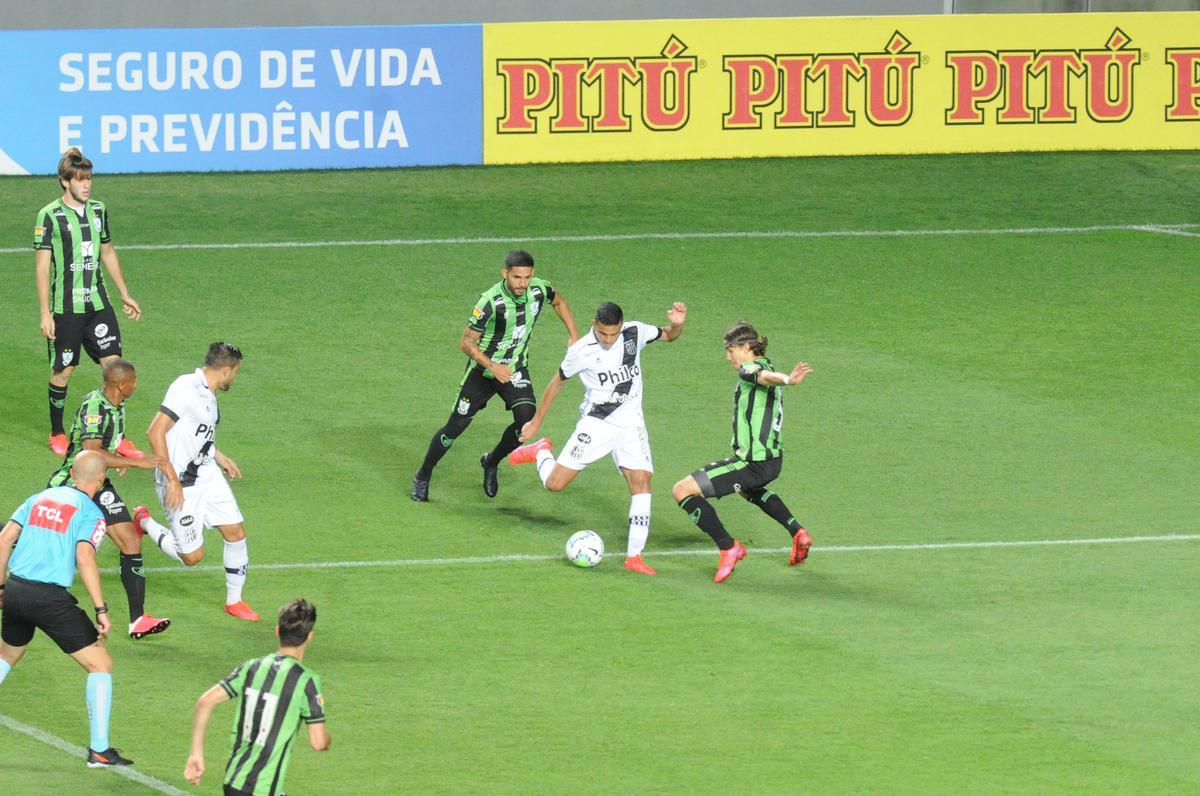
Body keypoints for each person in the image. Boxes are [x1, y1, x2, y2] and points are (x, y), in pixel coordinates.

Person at [510, 301, 687, 575]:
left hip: (630, 425)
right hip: (596, 425)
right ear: (594, 325)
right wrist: (535, 422)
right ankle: (541, 451)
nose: (608, 339)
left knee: (642, 483)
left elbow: (668, 335)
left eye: (613, 334)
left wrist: (676, 324)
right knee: (555, 485)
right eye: (603, 333)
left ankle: (634, 557)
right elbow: (556, 382)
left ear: (621, 326)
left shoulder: (635, 332)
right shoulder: (581, 350)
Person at [0, 450, 134, 768]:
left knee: (7, 654)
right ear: (100, 480)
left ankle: (100, 751)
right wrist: (101, 609)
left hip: (17, 590)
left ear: (73, 473)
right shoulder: (91, 513)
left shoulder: (39, 498)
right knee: (100, 663)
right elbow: (85, 558)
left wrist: (2, 587)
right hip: (49, 599)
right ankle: (99, 751)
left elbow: (4, 538)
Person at [412, 250, 579, 502]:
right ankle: (423, 475)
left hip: (515, 370)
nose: (522, 284)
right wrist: (492, 366)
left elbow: (558, 301)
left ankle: (491, 461)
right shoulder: (490, 301)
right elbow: (466, 342)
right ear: (505, 274)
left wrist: (573, 334)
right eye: (516, 278)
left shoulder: (539, 289)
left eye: (526, 277)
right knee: (454, 428)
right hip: (482, 372)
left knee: (526, 423)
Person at [671, 322, 814, 583]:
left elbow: (760, 376)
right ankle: (797, 532)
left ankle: (728, 547)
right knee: (749, 489)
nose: (728, 357)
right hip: (772, 460)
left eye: (730, 350)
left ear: (747, 347)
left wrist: (789, 380)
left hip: (751, 463)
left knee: (682, 490)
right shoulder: (766, 363)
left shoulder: (752, 369)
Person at [47, 358, 171, 639]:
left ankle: (138, 619)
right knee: (40, 533)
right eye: (133, 381)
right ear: (120, 384)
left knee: (130, 539)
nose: (136, 384)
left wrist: (121, 457)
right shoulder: (95, 406)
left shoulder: (116, 404)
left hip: (99, 484)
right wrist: (137, 462)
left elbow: (108, 445)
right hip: (75, 483)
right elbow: (91, 452)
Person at [135, 342, 259, 621]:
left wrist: (219, 456)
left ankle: (234, 600)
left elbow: (197, 434)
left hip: (206, 474)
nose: (235, 378)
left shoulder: (208, 393)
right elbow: (154, 431)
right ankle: (143, 522)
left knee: (236, 532)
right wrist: (172, 480)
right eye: (235, 372)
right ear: (226, 370)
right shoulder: (186, 388)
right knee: (192, 557)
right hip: (179, 481)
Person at [36, 148, 143, 457]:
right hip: (66, 309)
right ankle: (57, 431)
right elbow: (43, 268)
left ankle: (118, 436)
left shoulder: (99, 210)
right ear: (64, 182)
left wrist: (124, 292)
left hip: (98, 305)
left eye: (89, 179)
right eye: (80, 180)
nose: (87, 185)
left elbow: (107, 251)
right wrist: (45, 313)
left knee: (115, 370)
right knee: (64, 371)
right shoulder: (49, 216)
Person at [185, 598, 330, 795]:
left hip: (233, 781)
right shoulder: (306, 681)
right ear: (310, 637)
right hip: (261, 790)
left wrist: (196, 754)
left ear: (277, 631)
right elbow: (318, 742)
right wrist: (326, 737)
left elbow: (205, 701)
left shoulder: (251, 667)